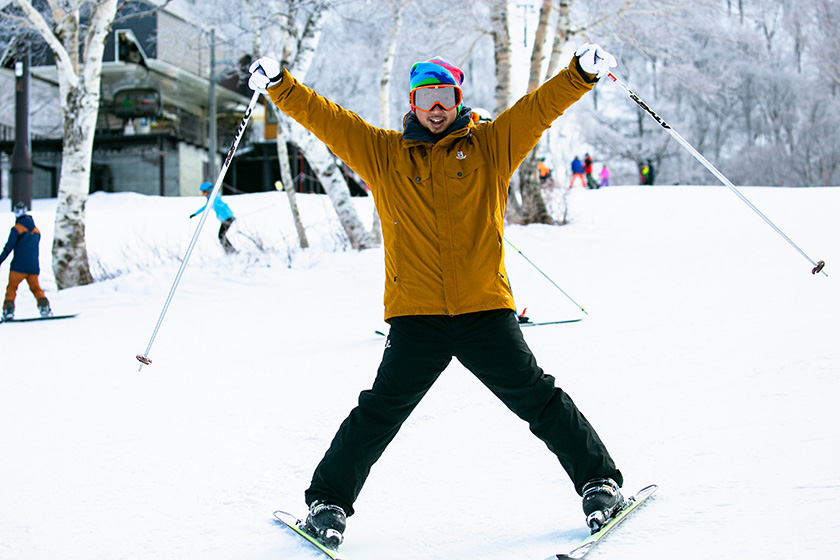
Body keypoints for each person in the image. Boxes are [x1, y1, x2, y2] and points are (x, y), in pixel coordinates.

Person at [249, 42, 624, 549]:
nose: (436, 105)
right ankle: (328, 503)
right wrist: (279, 85)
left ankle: (599, 485)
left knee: (539, 398)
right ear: (412, 102)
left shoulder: (490, 146)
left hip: (484, 310)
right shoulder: (383, 154)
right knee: (379, 411)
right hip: (417, 315)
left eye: (444, 94)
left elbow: (538, 110)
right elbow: (327, 120)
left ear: (457, 98)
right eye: (426, 96)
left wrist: (580, 73)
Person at [1, 202, 52, 321]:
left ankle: (8, 311)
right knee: (36, 288)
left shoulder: (16, 229)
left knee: (11, 289)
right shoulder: (36, 230)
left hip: (18, 266)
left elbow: (8, 247)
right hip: (33, 267)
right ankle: (45, 308)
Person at [190, 182, 237, 254]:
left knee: (221, 235)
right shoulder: (211, 198)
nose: (202, 194)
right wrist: (195, 214)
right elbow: (207, 206)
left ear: (207, 191)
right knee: (221, 235)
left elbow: (219, 205)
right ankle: (231, 251)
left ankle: (231, 251)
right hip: (225, 219)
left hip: (227, 218)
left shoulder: (214, 197)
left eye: (202, 192)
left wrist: (229, 215)